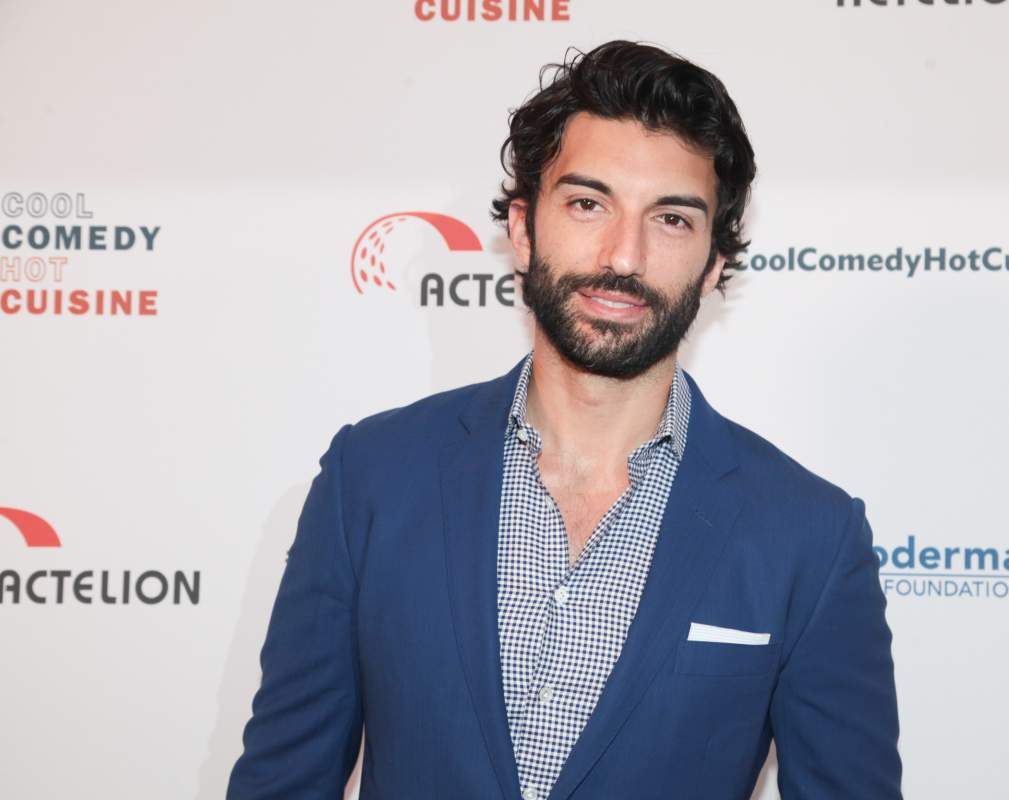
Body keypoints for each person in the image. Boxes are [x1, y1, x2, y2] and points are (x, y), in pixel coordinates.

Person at [227, 40, 901, 800]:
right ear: (523, 228)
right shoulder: (373, 478)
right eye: (588, 203)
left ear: (714, 263)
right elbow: (281, 783)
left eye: (672, 220)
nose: (623, 255)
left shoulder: (810, 535)